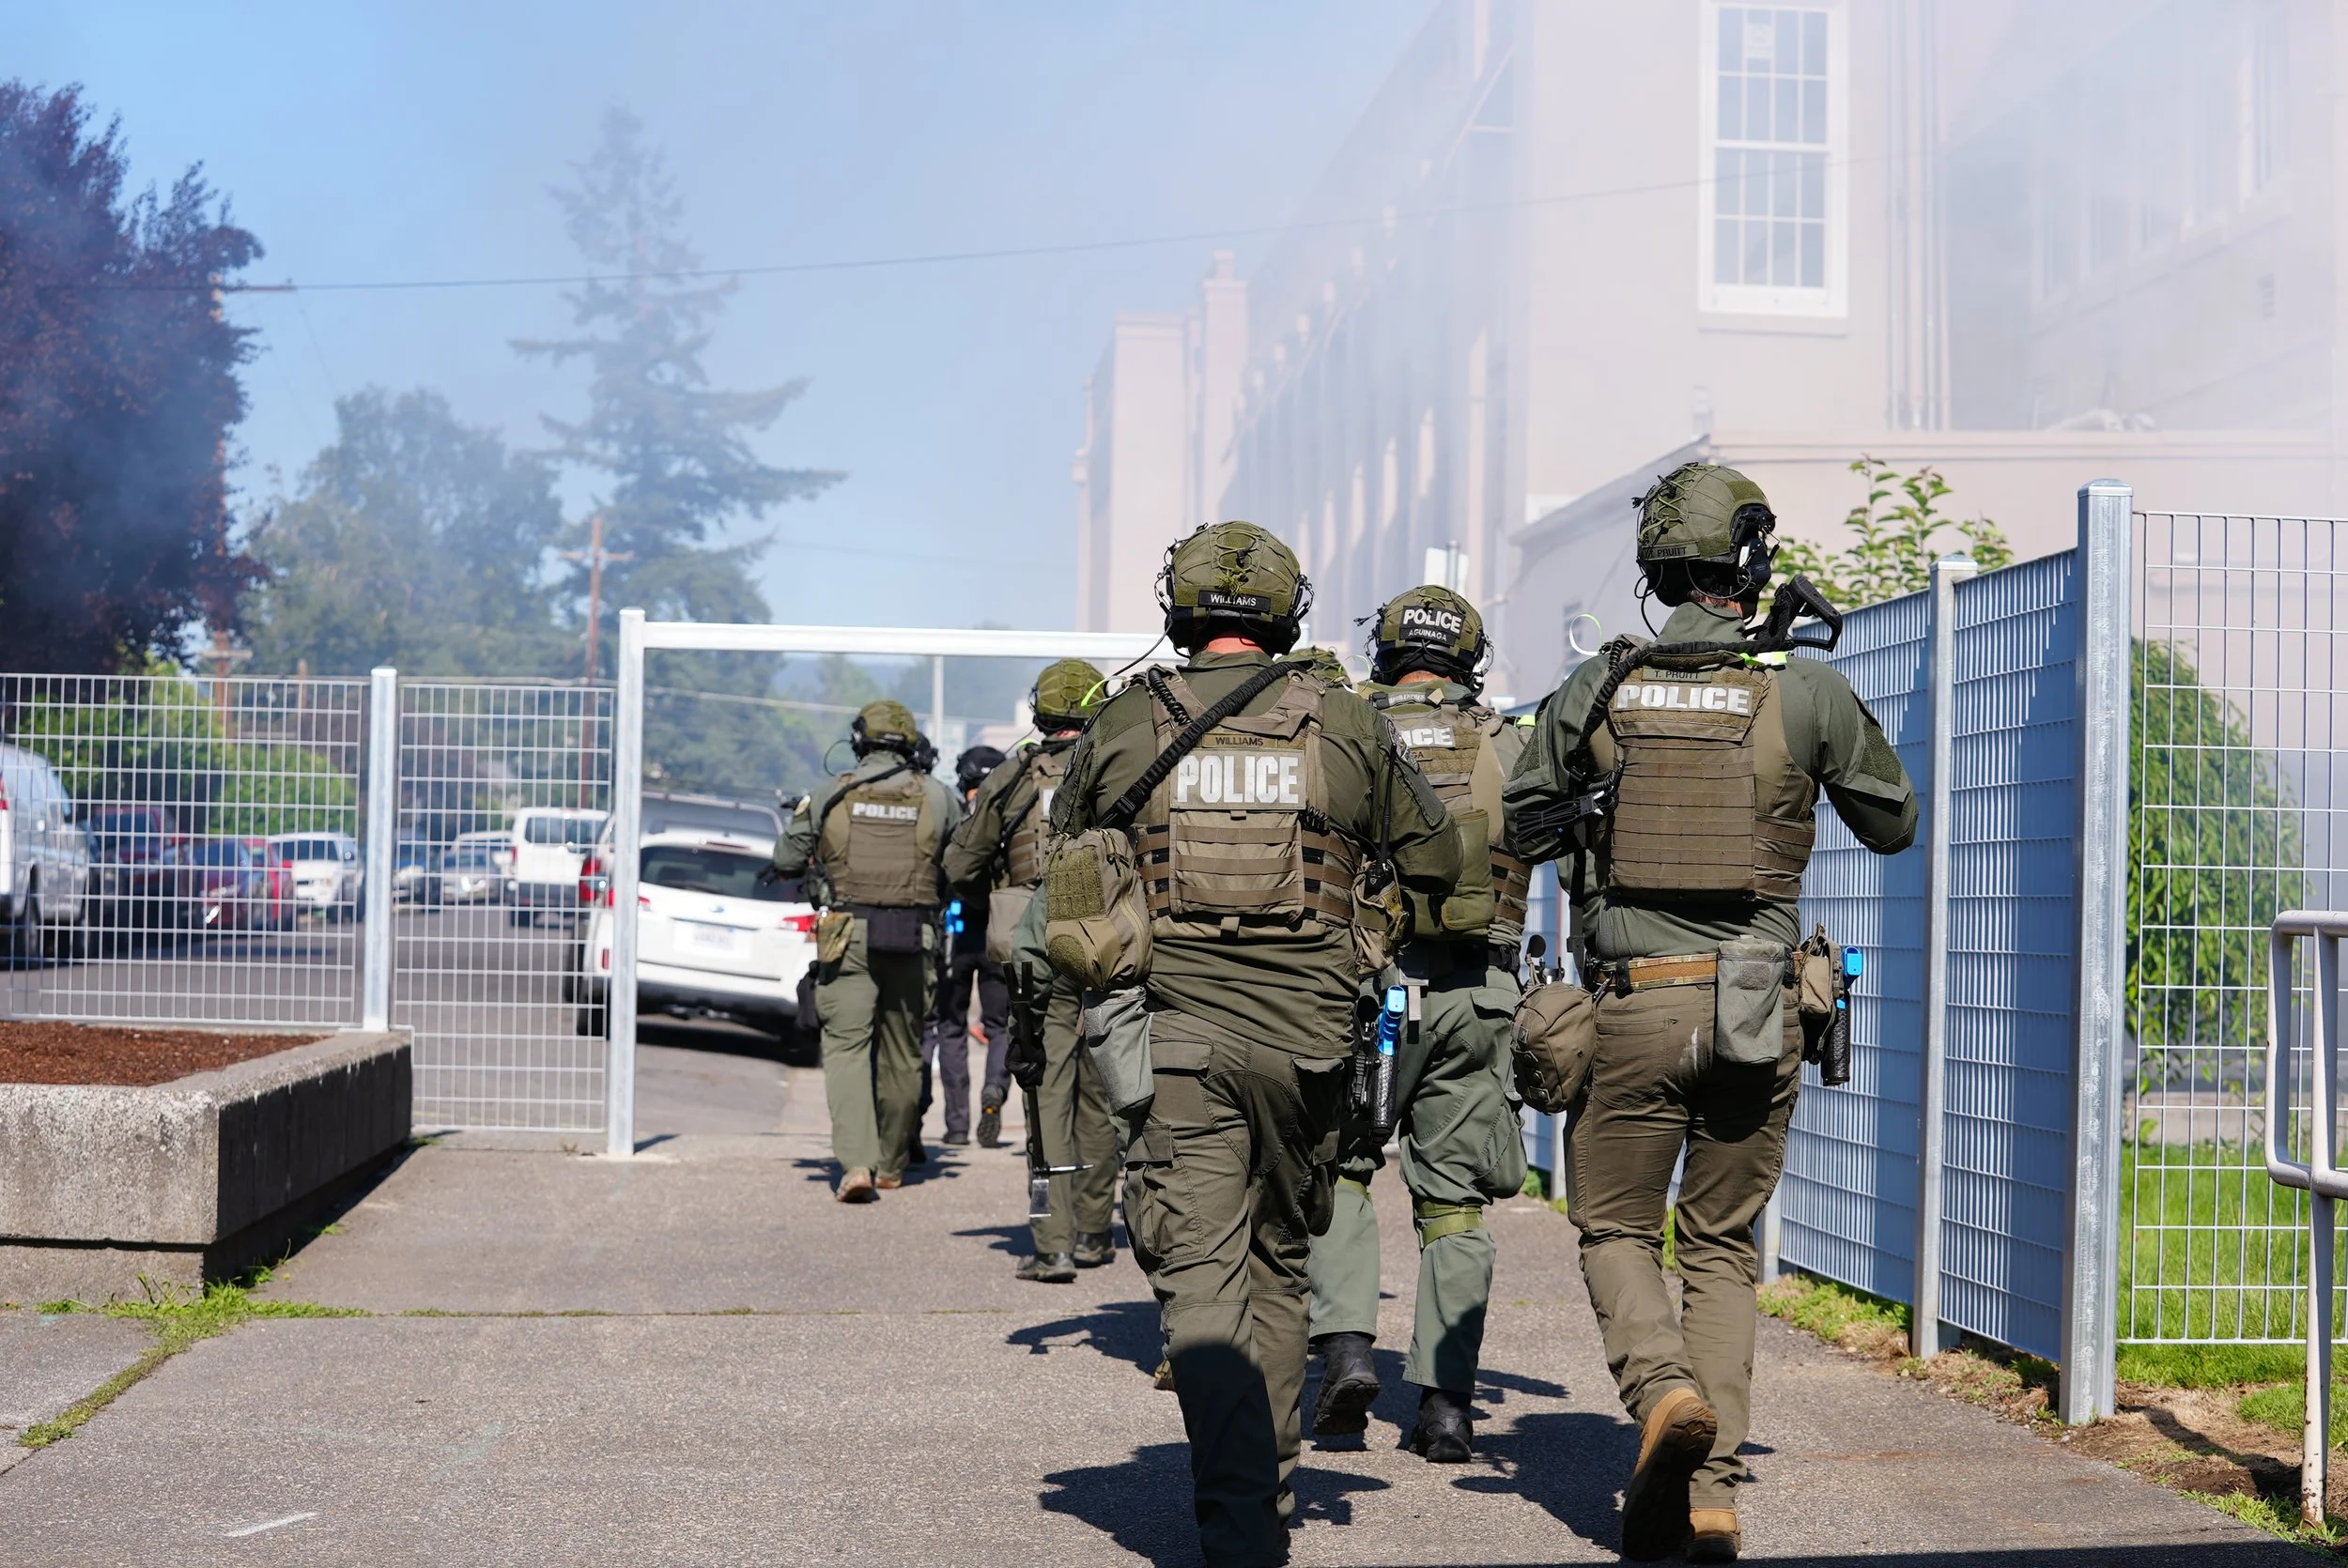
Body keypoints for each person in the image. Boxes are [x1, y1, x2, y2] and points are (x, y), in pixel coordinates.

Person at [1504, 462, 1918, 1562]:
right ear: (1750, 561)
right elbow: (1892, 822)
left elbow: (1518, 821)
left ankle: (1662, 1390)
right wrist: (1797, 682)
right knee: (1723, 1244)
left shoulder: (1597, 686)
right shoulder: (1805, 690)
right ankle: (1715, 1494)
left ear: (1656, 567)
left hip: (1632, 1006)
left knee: (1616, 1229)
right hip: (1756, 1008)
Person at [1047, 520, 1461, 1567]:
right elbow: (1441, 856)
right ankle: (1262, 1493)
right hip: (1310, 1044)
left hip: (1175, 1037)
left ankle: (1239, 1520)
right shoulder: (1349, 723)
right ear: (1287, 613)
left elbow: (1065, 854)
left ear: (1177, 610)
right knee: (1279, 1263)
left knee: (1199, 1279)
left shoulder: (1126, 720)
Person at [1305, 585, 1530, 1464]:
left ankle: (1350, 1353)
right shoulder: (1510, 744)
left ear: (1386, 652)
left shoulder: (1338, 731)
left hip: (1358, 987)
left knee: (1346, 1172)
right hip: (1475, 992)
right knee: (1455, 1210)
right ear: (1468, 659)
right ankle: (1444, 1408)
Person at [945, 661, 1117, 1283]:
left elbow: (960, 861)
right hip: (1111, 942)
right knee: (1104, 1095)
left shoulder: (1017, 775)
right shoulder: (1124, 763)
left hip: (1037, 948)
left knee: (1047, 1099)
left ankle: (1054, 1243)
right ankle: (1097, 1232)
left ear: (1041, 715)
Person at [771, 699, 963, 1203]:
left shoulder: (830, 794)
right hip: (913, 933)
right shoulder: (940, 797)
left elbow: (786, 857)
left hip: (846, 936)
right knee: (904, 1053)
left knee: (847, 1052)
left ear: (859, 741)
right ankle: (893, 1164)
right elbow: (965, 862)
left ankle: (856, 1163)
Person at [923, 745, 1013, 1150]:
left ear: (963, 780)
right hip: (1000, 930)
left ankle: (957, 1125)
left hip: (956, 935)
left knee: (951, 1026)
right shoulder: (1011, 815)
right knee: (999, 1027)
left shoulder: (955, 816)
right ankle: (994, 1090)